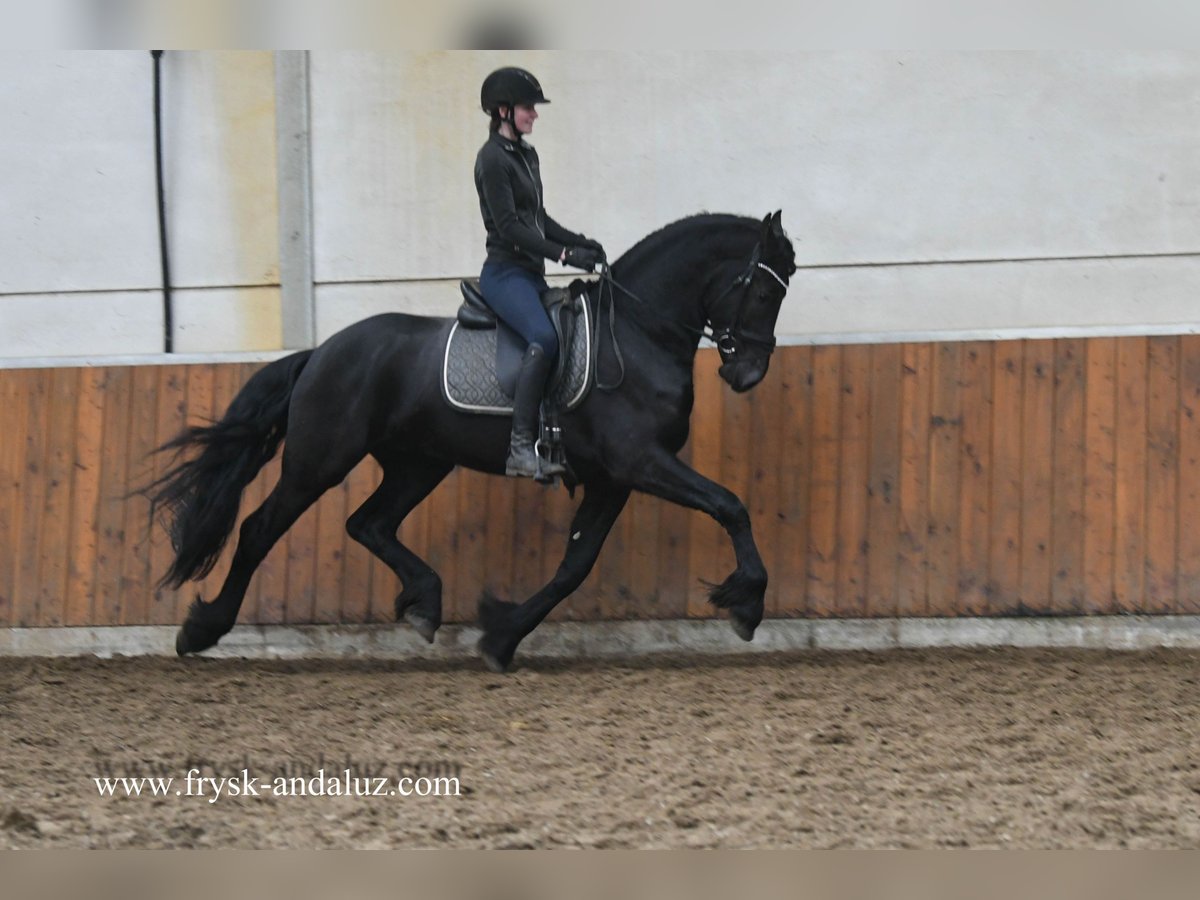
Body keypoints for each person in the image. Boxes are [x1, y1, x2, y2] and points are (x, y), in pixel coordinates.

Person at [475, 66, 606, 479]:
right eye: (528, 107)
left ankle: (553, 440)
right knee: (544, 337)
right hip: (504, 275)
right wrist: (566, 255)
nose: (534, 115)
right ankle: (519, 448)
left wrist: (581, 241)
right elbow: (512, 227)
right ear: (503, 111)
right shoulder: (491, 159)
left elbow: (539, 218)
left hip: (531, 276)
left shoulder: (527, 155)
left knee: (566, 335)